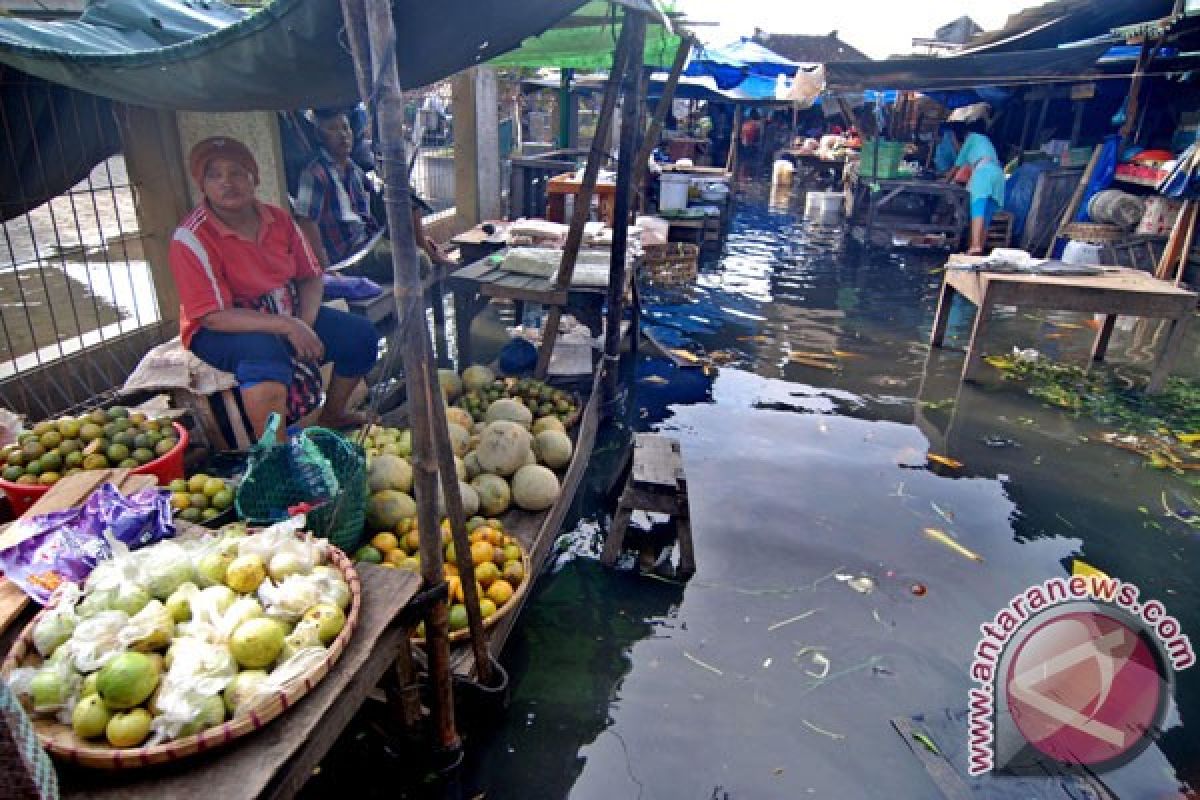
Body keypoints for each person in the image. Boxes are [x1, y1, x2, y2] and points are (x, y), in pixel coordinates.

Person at [169, 136, 380, 438]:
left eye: (237, 172)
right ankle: (277, 452)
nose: (227, 183)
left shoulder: (278, 219)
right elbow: (212, 315)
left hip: (283, 309)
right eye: (214, 175)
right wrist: (287, 326)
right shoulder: (190, 238)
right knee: (264, 353)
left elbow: (310, 276)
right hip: (221, 326)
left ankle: (332, 416)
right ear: (202, 185)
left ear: (254, 177)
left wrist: (304, 323)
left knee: (359, 335)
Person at [294, 108, 381, 268]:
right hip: (347, 258)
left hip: (368, 243)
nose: (343, 134)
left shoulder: (354, 169)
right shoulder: (315, 174)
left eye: (346, 128)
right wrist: (326, 268)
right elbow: (306, 223)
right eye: (333, 129)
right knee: (418, 260)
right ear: (320, 137)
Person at [951, 119, 1006, 255]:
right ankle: (978, 246)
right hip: (998, 174)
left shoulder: (971, 138)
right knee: (986, 215)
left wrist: (946, 180)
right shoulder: (985, 142)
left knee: (977, 209)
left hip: (984, 173)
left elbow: (957, 166)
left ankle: (975, 245)